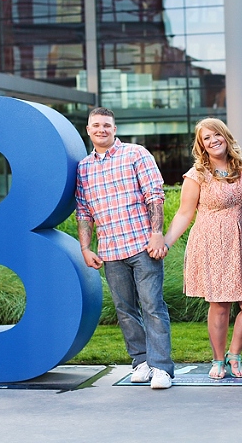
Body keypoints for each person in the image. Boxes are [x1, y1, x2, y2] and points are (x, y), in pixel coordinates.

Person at [75, 107, 174, 389]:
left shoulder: (136, 154)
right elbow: (83, 211)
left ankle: (162, 369)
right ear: (88, 130)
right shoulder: (84, 167)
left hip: (143, 246)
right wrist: (85, 247)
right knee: (124, 309)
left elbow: (155, 195)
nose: (101, 129)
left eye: (107, 125)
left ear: (114, 129)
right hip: (110, 250)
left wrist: (157, 234)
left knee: (153, 306)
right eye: (96, 125)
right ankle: (141, 361)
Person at [162, 118, 242, 379]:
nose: (213, 140)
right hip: (212, 241)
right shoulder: (197, 175)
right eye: (206, 138)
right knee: (220, 305)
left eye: (216, 134)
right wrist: (165, 242)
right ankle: (218, 360)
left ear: (225, 136)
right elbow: (185, 214)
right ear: (202, 145)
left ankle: (235, 353)